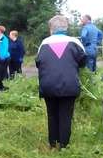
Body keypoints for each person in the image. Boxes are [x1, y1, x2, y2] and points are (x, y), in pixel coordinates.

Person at [36, 15, 86, 149]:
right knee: (66, 114)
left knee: (52, 114)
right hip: (69, 84)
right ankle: (63, 145)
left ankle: (53, 143)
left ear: (51, 28)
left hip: (48, 85)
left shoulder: (44, 43)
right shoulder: (75, 42)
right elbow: (83, 61)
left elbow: (38, 62)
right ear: (66, 27)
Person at [0, 25, 10, 91]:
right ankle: (0, 87)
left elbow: (5, 49)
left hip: (3, 58)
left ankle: (1, 87)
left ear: (0, 31)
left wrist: (2, 58)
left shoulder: (4, 38)